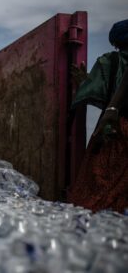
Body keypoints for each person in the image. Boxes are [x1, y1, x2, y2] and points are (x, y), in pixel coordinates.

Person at [68, 19, 128, 212]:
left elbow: (94, 93)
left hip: (114, 128)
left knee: (100, 184)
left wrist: (83, 82)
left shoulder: (109, 61)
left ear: (116, 42)